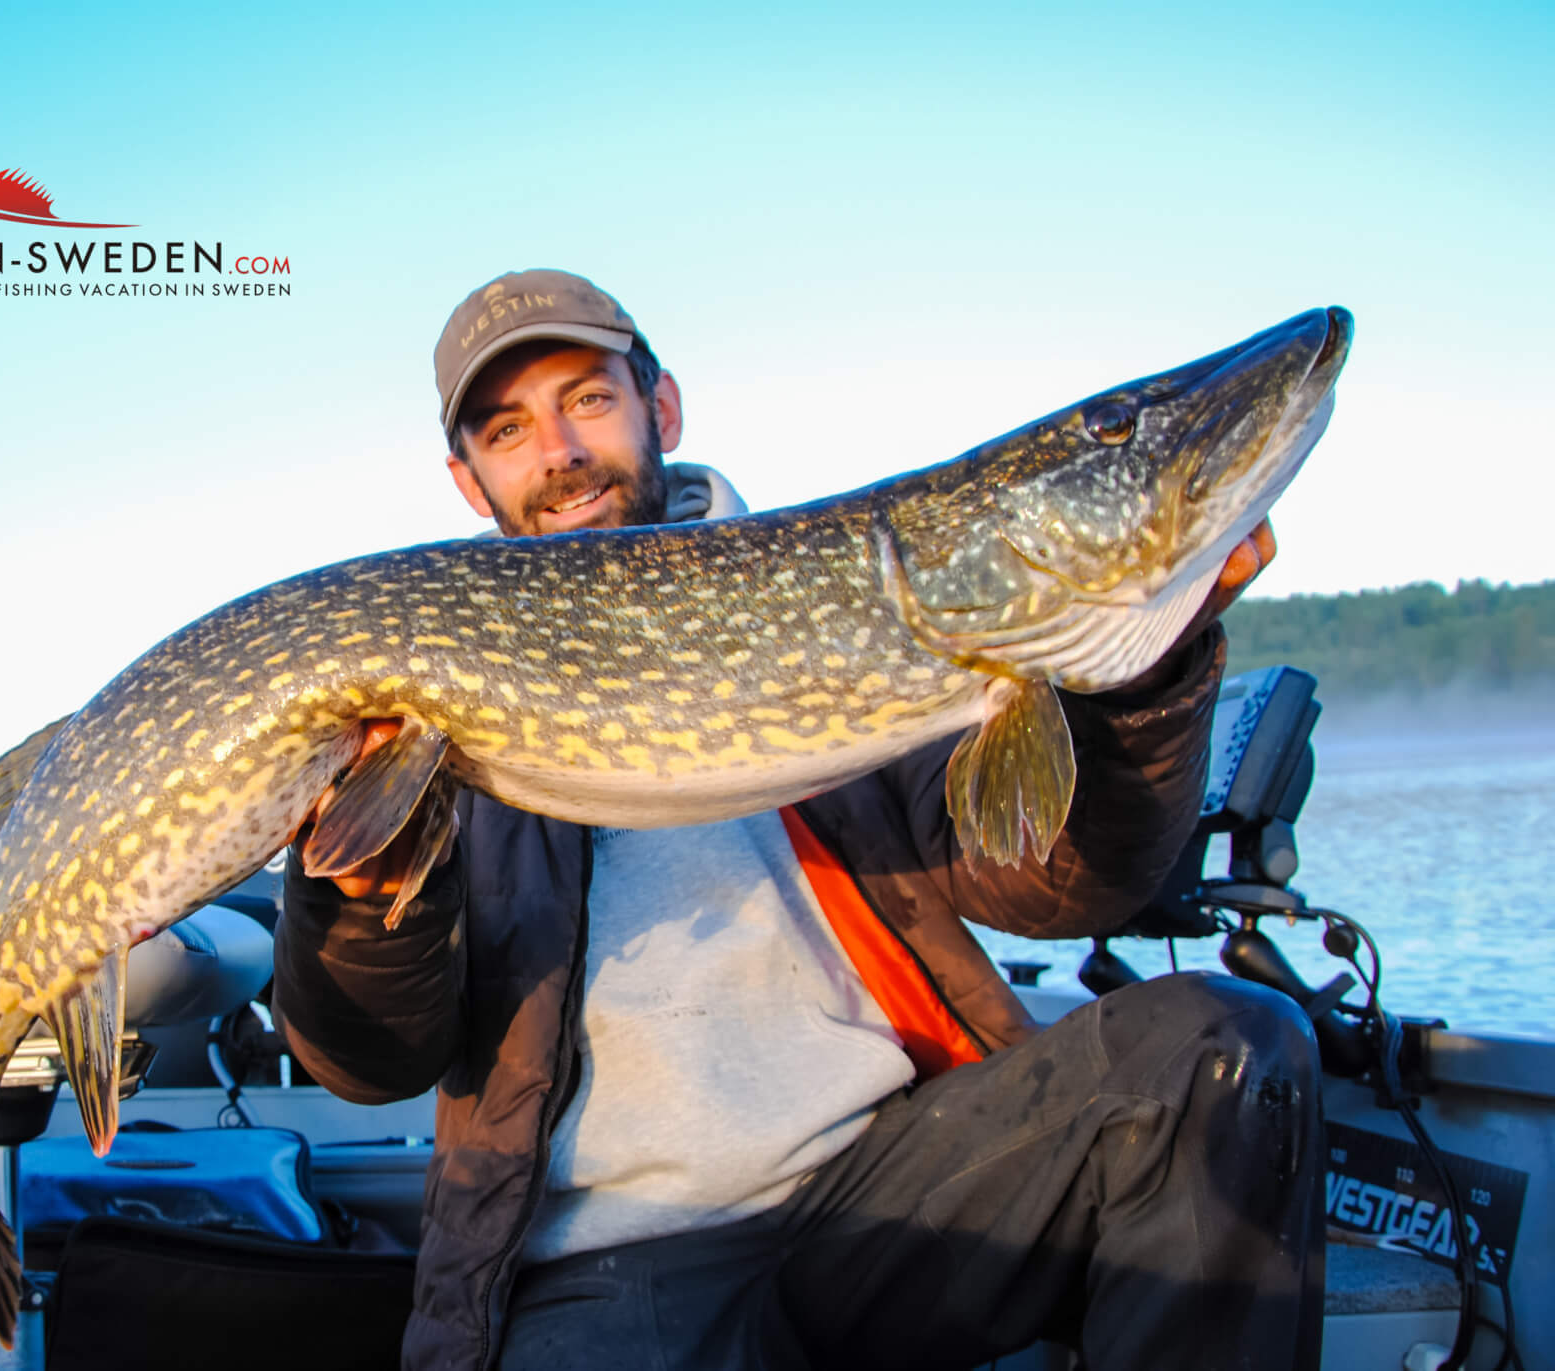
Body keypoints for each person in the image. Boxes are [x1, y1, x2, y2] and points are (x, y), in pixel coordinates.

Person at [272, 269, 1324, 1371]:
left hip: (891, 1197)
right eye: (508, 428)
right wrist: (360, 893)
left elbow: (1060, 884)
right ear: (467, 478)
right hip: (610, 1263)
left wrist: (1139, 683)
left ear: (659, 406)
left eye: (587, 398)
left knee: (1222, 1050)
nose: (560, 451)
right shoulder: (419, 695)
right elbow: (371, 1062)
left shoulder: (865, 614)